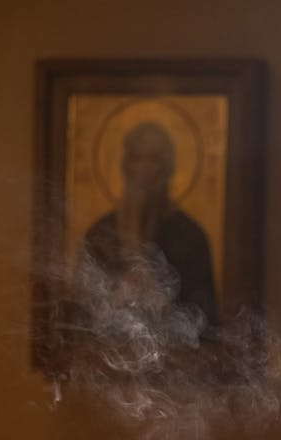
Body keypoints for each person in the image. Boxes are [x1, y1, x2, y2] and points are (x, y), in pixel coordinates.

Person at [66, 120, 218, 346]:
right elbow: (78, 311)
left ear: (167, 167)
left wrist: (161, 297)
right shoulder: (101, 232)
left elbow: (204, 314)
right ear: (125, 165)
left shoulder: (188, 235)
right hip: (107, 360)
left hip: (174, 363)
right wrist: (116, 294)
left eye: (154, 159)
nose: (143, 169)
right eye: (136, 158)